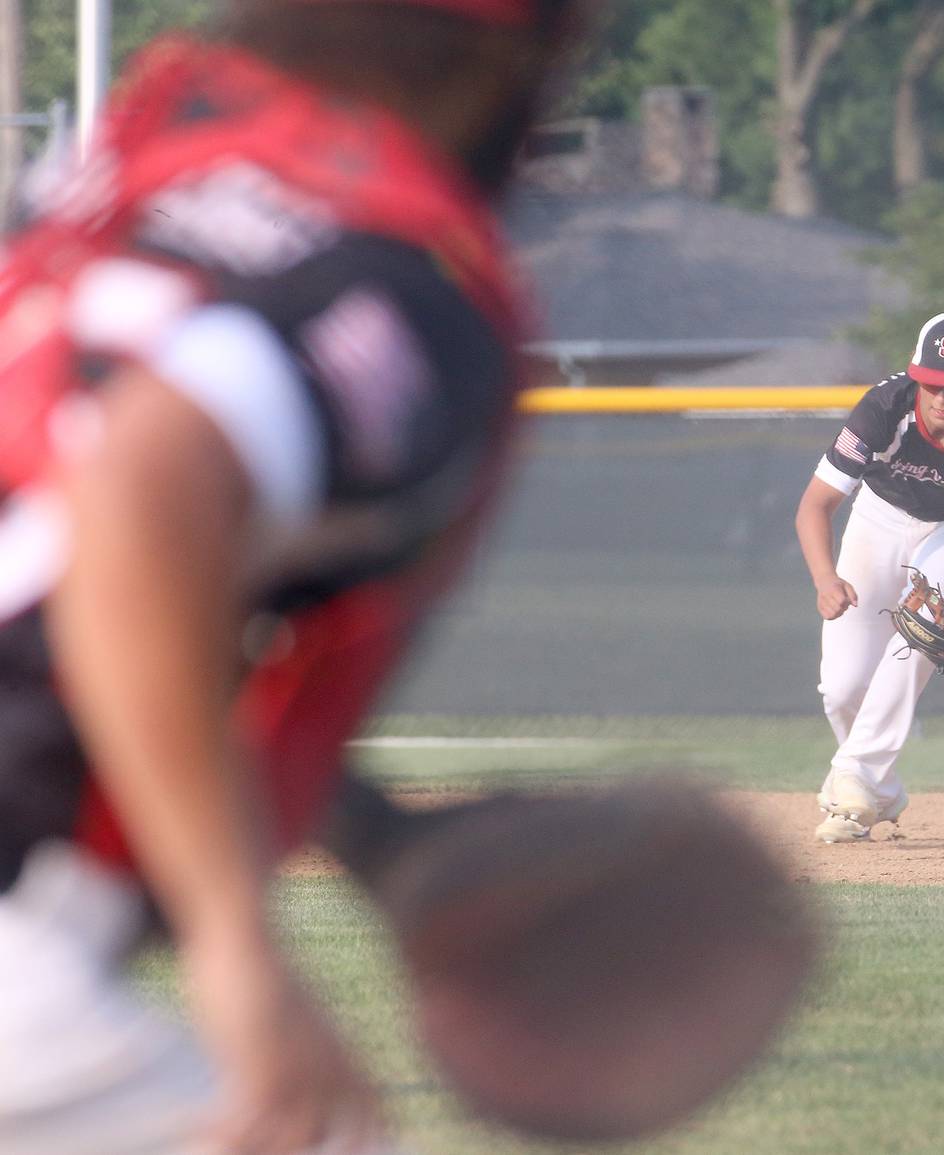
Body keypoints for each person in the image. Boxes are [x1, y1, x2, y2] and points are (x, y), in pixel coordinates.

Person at [0, 1, 592, 1151]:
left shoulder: (98, 192)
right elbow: (142, 482)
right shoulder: (390, 272)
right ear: (510, 75)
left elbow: (98, 593)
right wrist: (236, 943)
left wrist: (377, 843)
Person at [795, 312, 944, 844]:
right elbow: (815, 505)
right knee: (841, 687)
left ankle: (853, 780)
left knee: (924, 632)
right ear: (916, 376)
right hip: (879, 515)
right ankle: (882, 789)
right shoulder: (884, 409)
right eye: (936, 384)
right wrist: (824, 578)